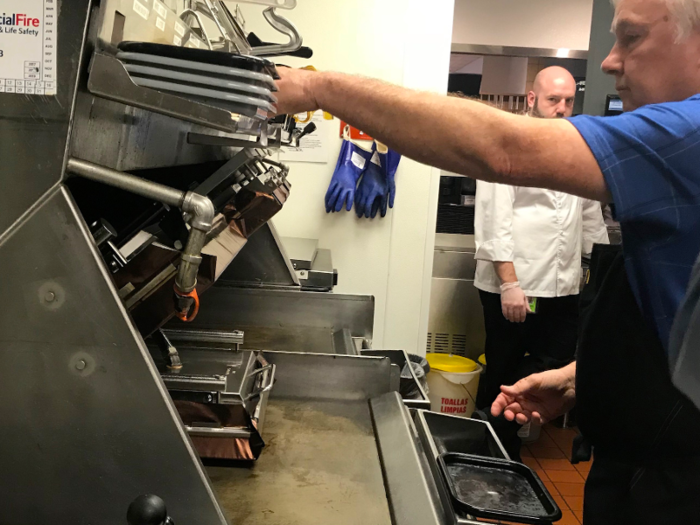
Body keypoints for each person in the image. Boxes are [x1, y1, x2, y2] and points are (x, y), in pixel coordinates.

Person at [274, 0, 700, 522]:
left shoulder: (692, 132)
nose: (609, 61)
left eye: (631, 37)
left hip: (677, 475)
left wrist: (316, 87)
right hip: (643, 459)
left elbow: (503, 149)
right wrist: (579, 379)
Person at [474, 67, 609, 460]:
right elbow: (493, 218)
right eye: (554, 100)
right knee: (505, 367)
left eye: (568, 101)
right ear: (532, 100)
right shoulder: (509, 144)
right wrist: (509, 284)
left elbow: (590, 217)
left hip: (562, 285)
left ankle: (508, 440)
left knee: (551, 363)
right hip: (518, 286)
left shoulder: (580, 148)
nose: (562, 109)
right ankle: (491, 452)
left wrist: (601, 272)